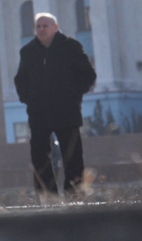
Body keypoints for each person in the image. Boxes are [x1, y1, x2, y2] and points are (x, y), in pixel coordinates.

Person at [14, 13, 97, 199]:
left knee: (72, 157)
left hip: (67, 112)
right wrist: (29, 99)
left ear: (56, 27)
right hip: (39, 114)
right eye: (38, 27)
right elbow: (21, 80)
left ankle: (74, 195)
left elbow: (88, 75)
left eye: (46, 26)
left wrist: (73, 94)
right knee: (39, 157)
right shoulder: (28, 52)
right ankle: (47, 196)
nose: (42, 30)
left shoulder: (71, 47)